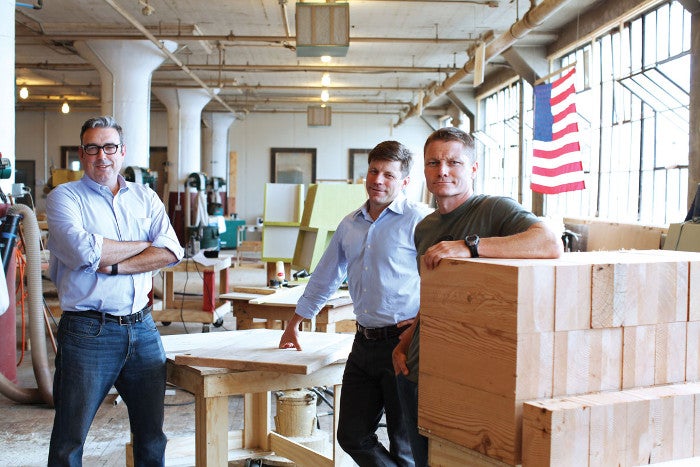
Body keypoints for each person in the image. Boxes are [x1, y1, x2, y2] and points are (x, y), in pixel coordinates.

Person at [392, 127, 563, 466]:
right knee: (423, 461)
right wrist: (406, 341)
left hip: (469, 376)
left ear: (472, 169)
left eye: (454, 162)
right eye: (433, 162)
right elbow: (434, 299)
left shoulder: (494, 210)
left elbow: (549, 243)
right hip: (418, 369)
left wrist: (470, 246)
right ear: (424, 171)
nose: (442, 170)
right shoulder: (424, 229)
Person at [278, 140, 432, 466]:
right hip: (363, 343)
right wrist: (295, 322)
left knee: (406, 445)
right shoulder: (350, 224)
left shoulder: (420, 221)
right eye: (374, 171)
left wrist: (422, 326)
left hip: (404, 343)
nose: (378, 180)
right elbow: (325, 276)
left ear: (405, 181)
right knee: (351, 434)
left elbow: (442, 280)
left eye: (389, 175)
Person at [46, 116, 184, 466]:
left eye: (109, 147)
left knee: (152, 436)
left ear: (122, 152)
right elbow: (84, 252)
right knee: (69, 440)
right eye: (92, 148)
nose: (101, 156)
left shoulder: (145, 196)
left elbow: (171, 251)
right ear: (82, 153)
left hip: (143, 329)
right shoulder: (64, 198)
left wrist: (116, 263)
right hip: (88, 331)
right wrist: (144, 244)